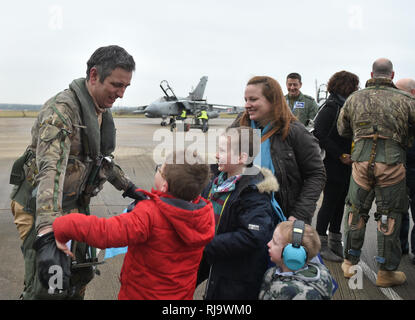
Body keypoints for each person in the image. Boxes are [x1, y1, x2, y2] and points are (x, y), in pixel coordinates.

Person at [9, 45, 144, 299]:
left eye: (126, 86)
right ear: (94, 76)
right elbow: (50, 170)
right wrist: (47, 233)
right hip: (41, 206)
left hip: (74, 205)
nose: (121, 94)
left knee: (79, 275)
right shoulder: (61, 111)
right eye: (116, 85)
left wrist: (129, 187)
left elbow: (100, 160)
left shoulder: (99, 111)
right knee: (47, 286)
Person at [53, 150, 215, 300]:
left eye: (159, 169)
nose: (157, 170)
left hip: (141, 295)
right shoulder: (204, 215)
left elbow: (105, 233)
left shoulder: (150, 214)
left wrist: (62, 225)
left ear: (164, 185)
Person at [337, 58, 415, 287]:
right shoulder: (407, 99)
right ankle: (386, 271)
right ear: (392, 76)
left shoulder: (354, 98)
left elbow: (342, 129)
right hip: (392, 163)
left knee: (355, 210)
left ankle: (349, 264)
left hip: (360, 161)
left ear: (371, 73)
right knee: (389, 214)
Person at [230, 76, 326, 224]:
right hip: (242, 214)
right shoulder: (240, 126)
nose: (247, 105)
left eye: (253, 99)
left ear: (273, 100)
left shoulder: (295, 132)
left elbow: (316, 174)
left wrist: (299, 214)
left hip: (280, 219)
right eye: (246, 100)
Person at [198, 126, 278, 300]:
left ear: (242, 158)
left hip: (236, 276)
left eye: (221, 151)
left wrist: (207, 244)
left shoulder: (253, 192)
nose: (216, 155)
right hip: (214, 260)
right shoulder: (217, 180)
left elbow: (252, 236)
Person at [313, 71, 360, 262]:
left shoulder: (343, 104)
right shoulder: (331, 106)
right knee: (329, 202)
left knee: (340, 202)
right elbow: (319, 133)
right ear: (345, 86)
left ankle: (334, 241)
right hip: (332, 163)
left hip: (344, 165)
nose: (356, 89)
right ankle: (320, 244)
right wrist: (339, 155)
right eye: (354, 85)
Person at [259, 220, 333, 300]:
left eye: (274, 242)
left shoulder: (295, 294)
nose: (268, 244)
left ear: (293, 254)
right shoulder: (275, 272)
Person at [396, 78, 415, 264]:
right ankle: (401, 246)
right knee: (400, 211)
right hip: (400, 167)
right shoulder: (398, 112)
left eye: (400, 91)